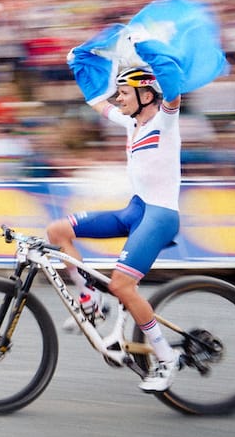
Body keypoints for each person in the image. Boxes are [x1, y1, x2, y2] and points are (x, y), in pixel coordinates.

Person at [46, 65, 185, 393]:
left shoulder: (165, 121)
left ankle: (167, 358)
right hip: (135, 210)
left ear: (146, 95)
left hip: (160, 216)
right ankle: (89, 298)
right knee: (57, 230)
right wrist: (76, 63)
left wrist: (154, 55)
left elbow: (175, 91)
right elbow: (96, 100)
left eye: (125, 92)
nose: (118, 98)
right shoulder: (130, 122)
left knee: (122, 286)